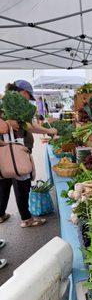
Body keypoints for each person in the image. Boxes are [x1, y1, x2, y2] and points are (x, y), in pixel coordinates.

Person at [0, 80, 57, 228]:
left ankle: (1, 214)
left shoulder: (6, 103)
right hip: (15, 153)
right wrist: (48, 131)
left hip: (4, 154)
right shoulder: (12, 106)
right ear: (23, 92)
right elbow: (28, 126)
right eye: (29, 96)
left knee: (3, 184)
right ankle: (27, 219)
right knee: (22, 184)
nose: (28, 100)